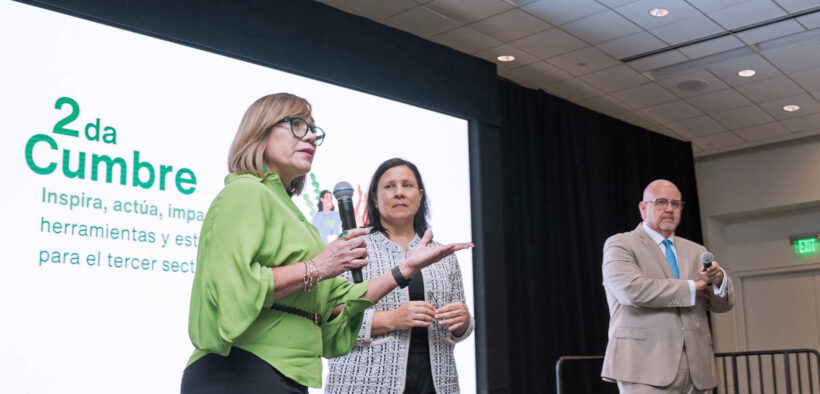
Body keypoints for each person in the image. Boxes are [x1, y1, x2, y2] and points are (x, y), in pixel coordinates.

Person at [180, 94, 472, 394]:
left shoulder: (294, 215)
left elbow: (336, 306)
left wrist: (405, 269)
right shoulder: (245, 192)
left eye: (313, 130)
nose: (309, 136)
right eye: (296, 125)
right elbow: (233, 290)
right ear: (261, 130)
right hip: (240, 369)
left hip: (288, 373)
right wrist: (318, 267)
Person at [325, 158, 474, 394]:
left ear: (420, 195)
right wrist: (393, 319)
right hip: (365, 381)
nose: (399, 193)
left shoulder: (442, 253)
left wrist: (463, 321)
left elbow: (460, 329)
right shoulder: (351, 248)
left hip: (436, 383)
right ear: (374, 198)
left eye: (407, 185)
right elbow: (330, 316)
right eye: (389, 186)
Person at [601, 179, 734, 393]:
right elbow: (631, 290)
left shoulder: (697, 250)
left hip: (697, 369)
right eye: (661, 202)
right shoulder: (621, 244)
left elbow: (722, 306)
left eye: (676, 204)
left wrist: (718, 281)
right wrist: (693, 288)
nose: (670, 209)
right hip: (645, 366)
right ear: (643, 208)